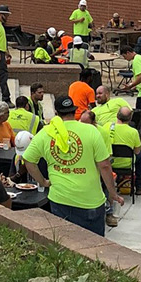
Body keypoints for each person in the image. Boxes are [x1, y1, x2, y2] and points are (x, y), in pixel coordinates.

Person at [22, 95, 123, 236]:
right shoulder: (91, 131)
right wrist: (112, 193)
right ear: (75, 111)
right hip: (90, 201)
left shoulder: (46, 132)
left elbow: (28, 160)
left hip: (59, 199)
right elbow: (105, 166)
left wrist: (43, 182)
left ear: (57, 113)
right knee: (92, 247)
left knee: (65, 245)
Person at [107, 106, 141, 196]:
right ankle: (140, 186)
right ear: (130, 118)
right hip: (127, 163)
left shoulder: (107, 127)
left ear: (117, 116)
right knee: (140, 156)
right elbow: (137, 151)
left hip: (109, 162)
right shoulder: (133, 132)